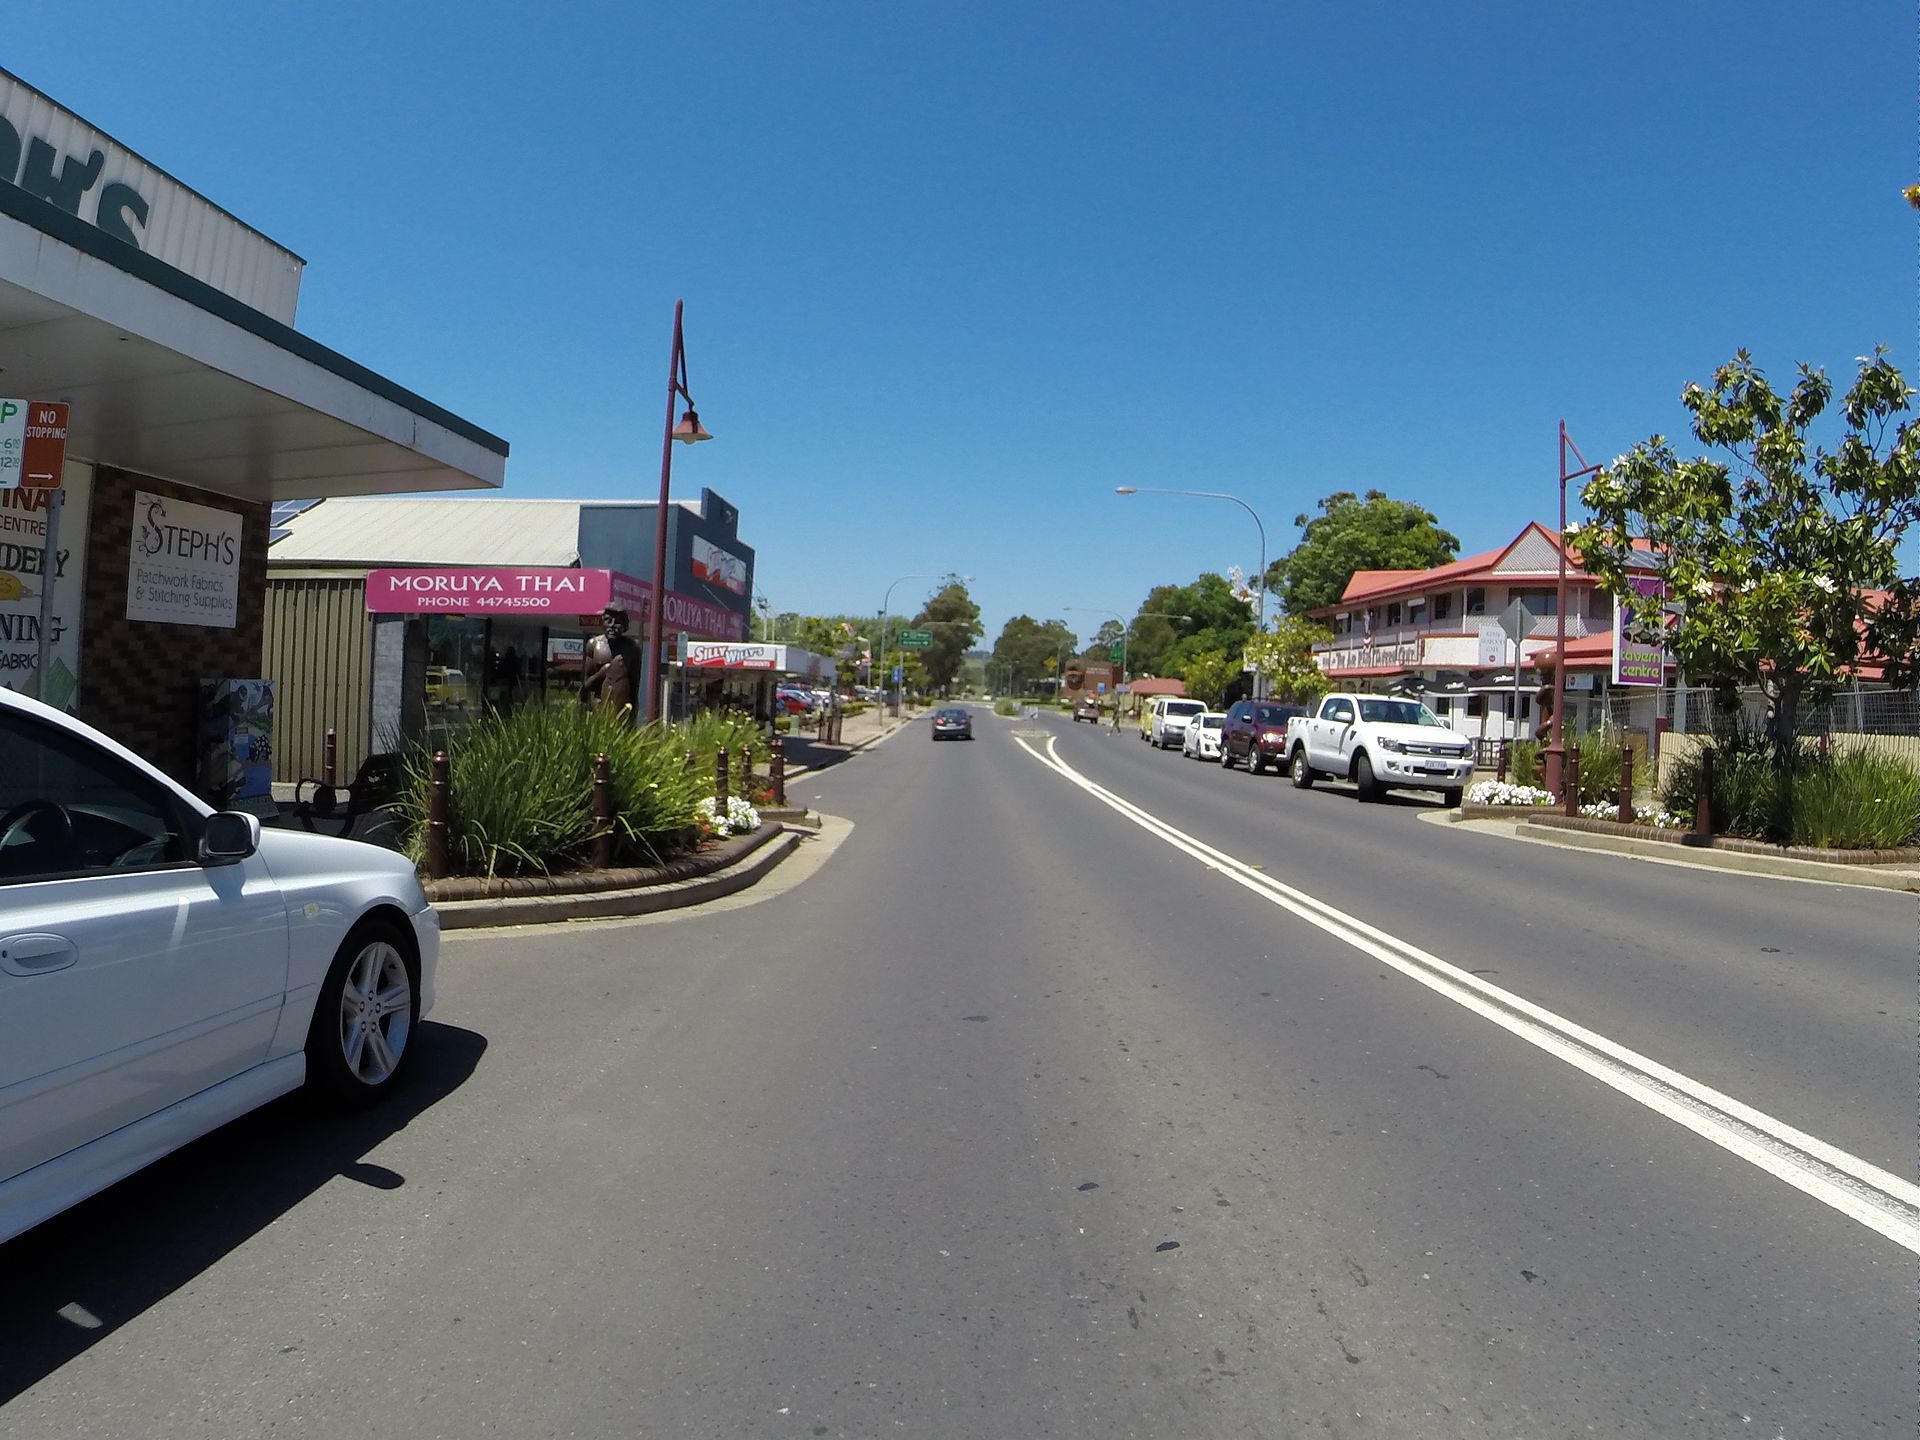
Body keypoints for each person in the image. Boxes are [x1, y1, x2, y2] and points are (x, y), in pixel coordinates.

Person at [580, 606, 646, 721]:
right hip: (598, 710)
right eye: (608, 620)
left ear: (624, 626)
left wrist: (633, 716)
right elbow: (586, 685)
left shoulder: (632, 648)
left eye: (618, 622)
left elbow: (634, 687)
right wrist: (603, 672)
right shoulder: (593, 644)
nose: (612, 625)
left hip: (621, 711)